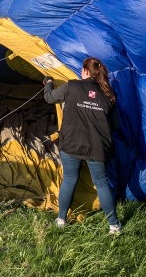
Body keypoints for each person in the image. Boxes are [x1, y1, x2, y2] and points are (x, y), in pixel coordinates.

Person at [43, 57, 122, 234]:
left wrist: (48, 82)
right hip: (97, 147)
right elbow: (116, 125)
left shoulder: (72, 86)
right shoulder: (108, 95)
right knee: (101, 183)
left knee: (69, 179)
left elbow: (49, 98)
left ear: (85, 71)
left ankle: (61, 219)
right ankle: (114, 225)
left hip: (71, 144)